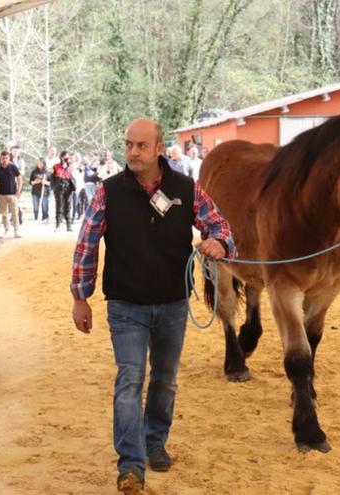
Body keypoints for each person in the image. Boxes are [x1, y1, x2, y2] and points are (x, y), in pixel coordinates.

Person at [71, 118, 235, 495]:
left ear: (159, 148)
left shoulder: (187, 189)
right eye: (128, 144)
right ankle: (130, 466)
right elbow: (86, 245)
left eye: (141, 146)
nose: (132, 152)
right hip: (125, 305)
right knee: (129, 379)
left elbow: (221, 227)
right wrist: (81, 297)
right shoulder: (106, 192)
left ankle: (155, 441)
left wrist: (219, 244)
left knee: (165, 378)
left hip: (173, 304)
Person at [0, 150, 22, 238]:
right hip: (1, 194)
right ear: (0, 159)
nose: (4, 160)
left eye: (6, 158)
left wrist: (18, 191)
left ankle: (16, 230)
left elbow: (20, 178)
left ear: (9, 158)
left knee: (14, 213)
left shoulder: (13, 167)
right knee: (4, 214)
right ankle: (6, 230)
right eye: (3, 158)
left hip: (13, 194)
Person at [52, 150, 76, 232]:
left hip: (68, 188)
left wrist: (68, 165)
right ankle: (58, 225)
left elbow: (74, 177)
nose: (66, 158)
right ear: (61, 157)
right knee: (59, 206)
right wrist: (54, 188)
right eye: (65, 157)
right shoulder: (56, 166)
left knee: (68, 207)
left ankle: (68, 226)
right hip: (59, 189)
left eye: (68, 157)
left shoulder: (71, 167)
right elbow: (52, 178)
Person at [29, 157, 51, 222]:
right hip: (35, 192)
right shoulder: (34, 172)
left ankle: (45, 217)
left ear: (44, 164)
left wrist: (45, 182)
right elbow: (30, 182)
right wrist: (35, 182)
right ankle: (36, 217)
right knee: (35, 206)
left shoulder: (47, 172)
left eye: (41, 163)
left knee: (44, 205)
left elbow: (51, 183)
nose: (40, 164)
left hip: (45, 192)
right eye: (39, 162)